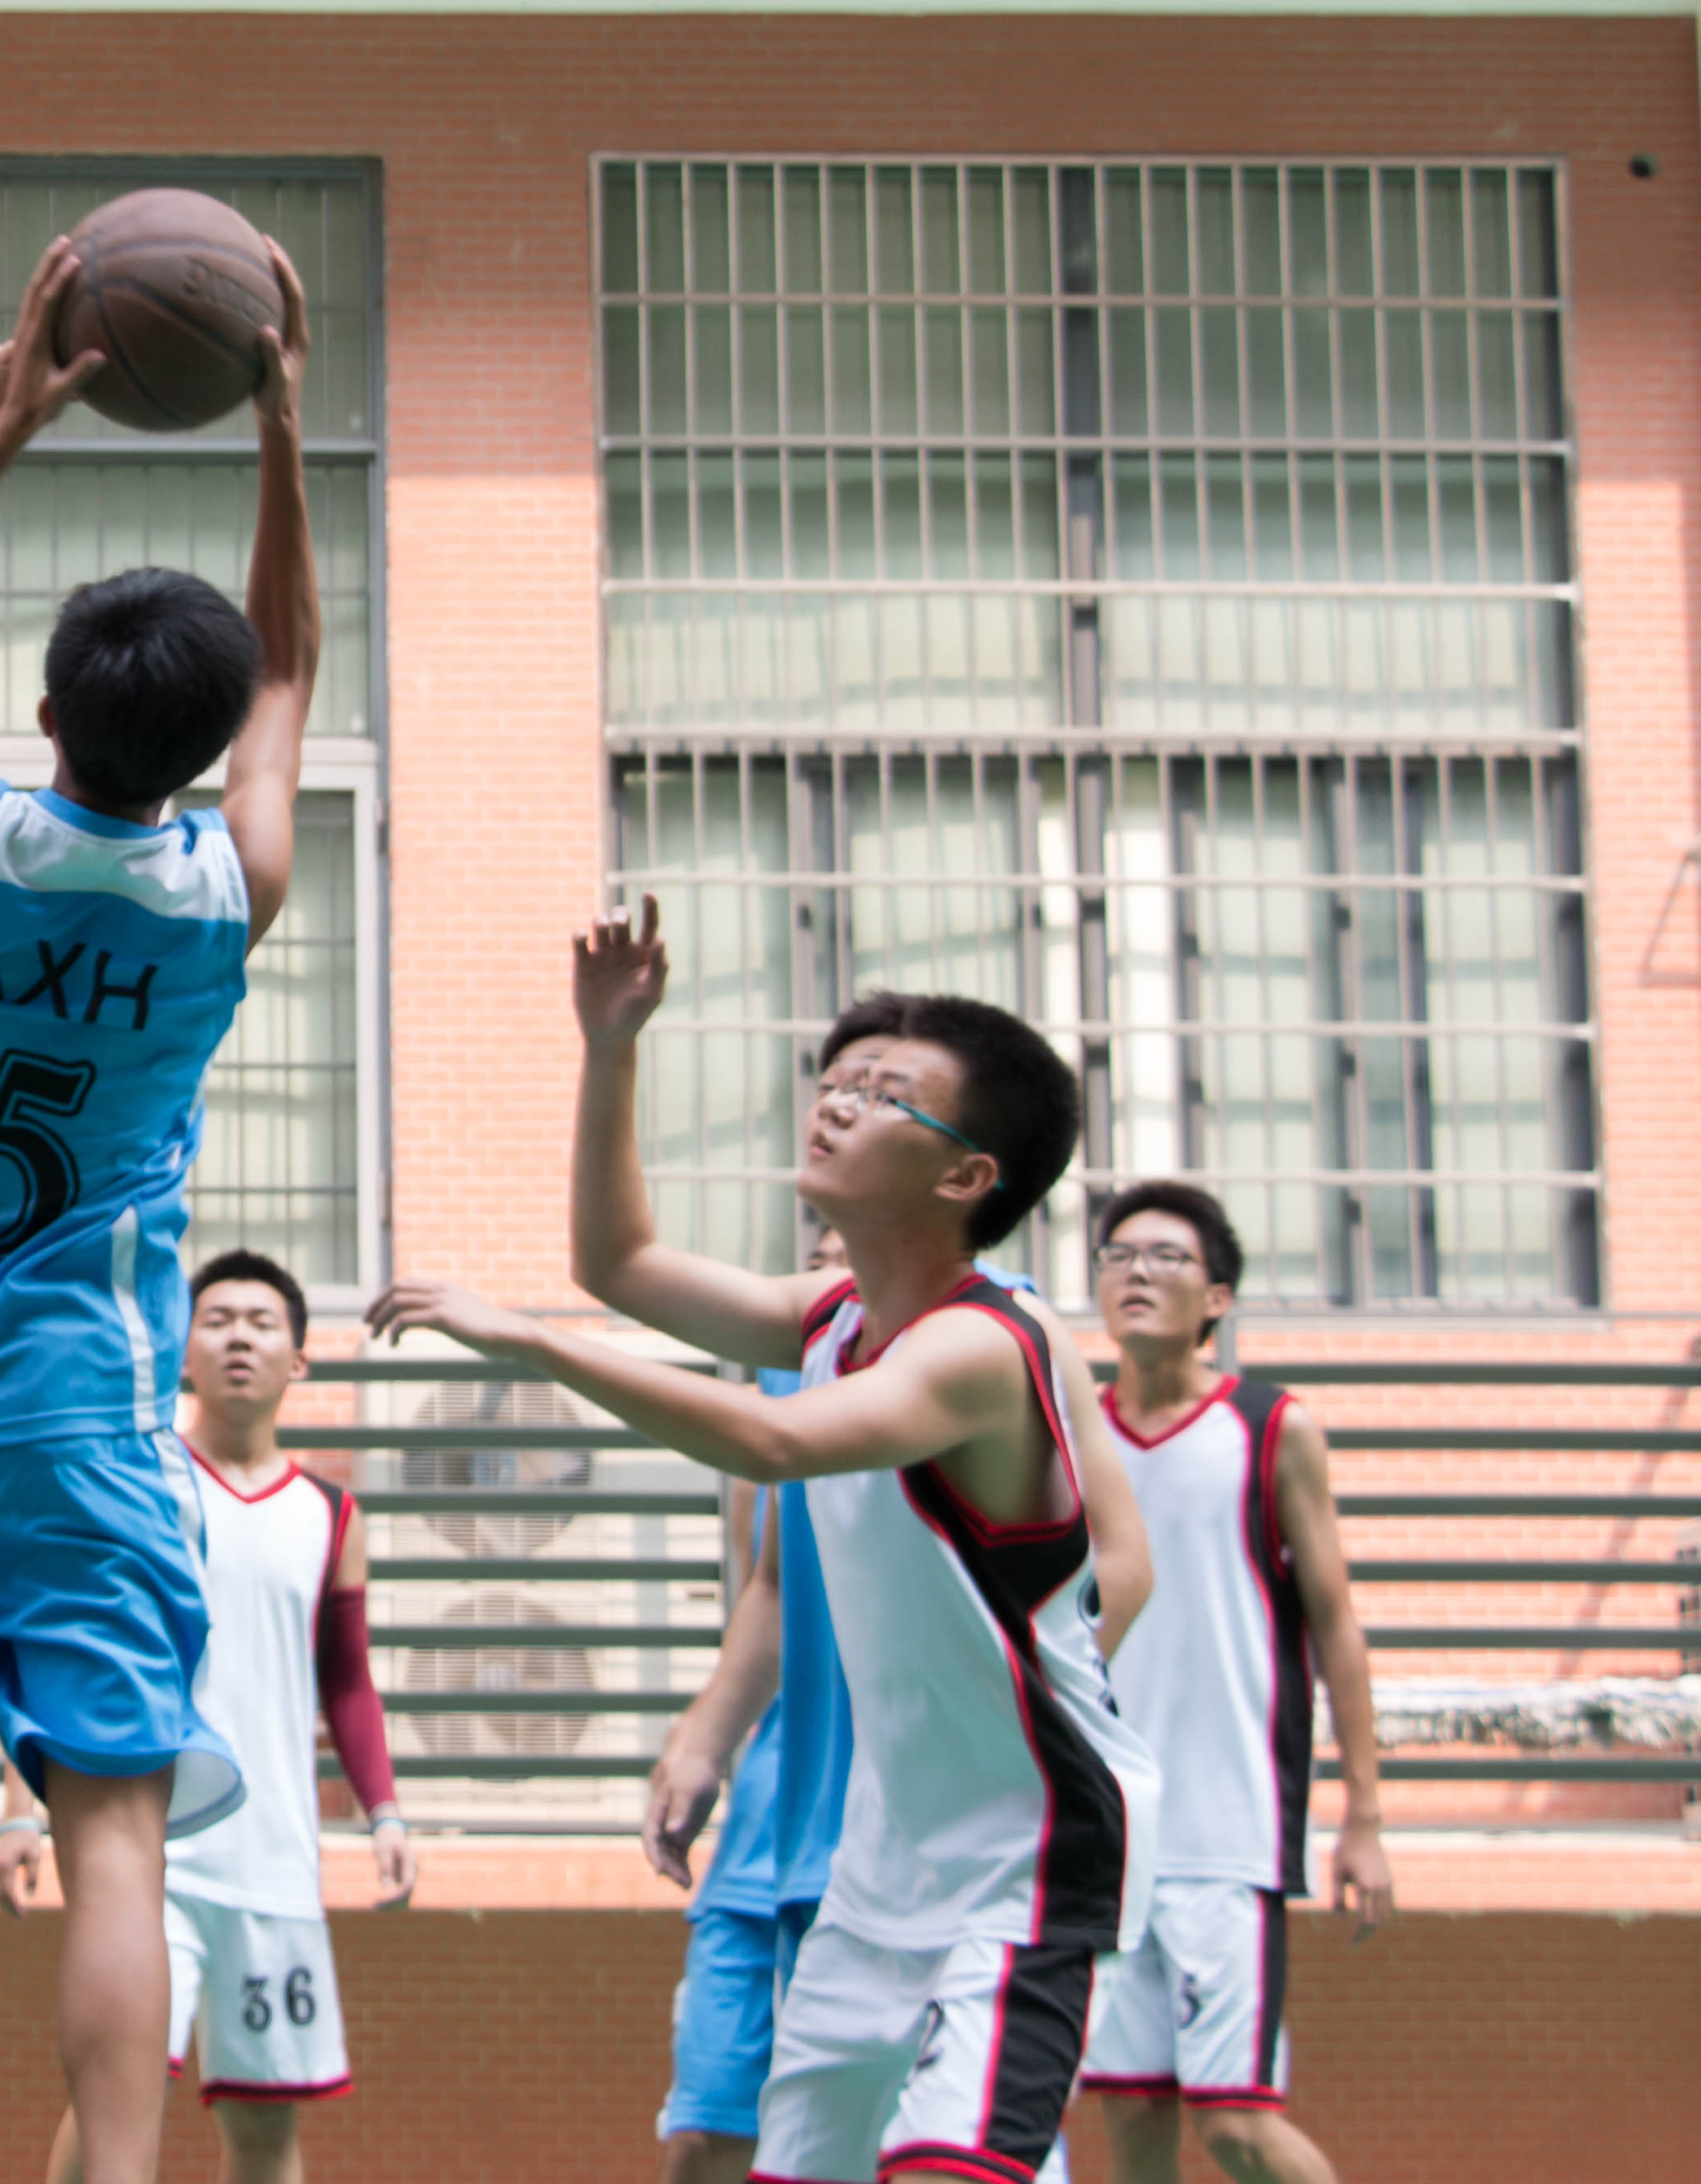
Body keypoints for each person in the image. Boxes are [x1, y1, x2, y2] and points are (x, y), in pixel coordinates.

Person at [373, 902, 1158, 2184]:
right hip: (883, 1857)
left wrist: (528, 1341)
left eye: (886, 1094)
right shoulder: (834, 1312)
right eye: (837, 1080)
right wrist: (611, 1046)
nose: (837, 1103)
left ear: (967, 1177)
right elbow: (618, 1259)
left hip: (1026, 1864)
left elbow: (769, 1443)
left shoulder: (979, 1345)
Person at [0, 230, 323, 2184]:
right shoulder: (220, 888)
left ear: (48, 704)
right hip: (79, 1425)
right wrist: (276, 427)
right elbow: (285, 663)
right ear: (195, 749)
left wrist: (6, 420)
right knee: (118, 1835)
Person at [0, 1250, 417, 2184]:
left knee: (265, 2132)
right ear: (181, 1350)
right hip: (149, 1855)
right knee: (117, 2096)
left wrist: (385, 1812)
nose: (238, 1335)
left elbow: (347, 1682)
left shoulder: (332, 1513)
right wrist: (19, 1806)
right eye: (217, 1317)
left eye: (262, 1322)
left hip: (275, 1865)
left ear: (298, 1359)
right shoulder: (137, 1482)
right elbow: (52, 1643)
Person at [1080, 1181, 1396, 2184]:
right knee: (1132, 2131)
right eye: (1120, 1253)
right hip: (1108, 1841)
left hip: (1227, 1837)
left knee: (1237, 2125)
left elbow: (1338, 1625)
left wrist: (1366, 1817)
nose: (1136, 1271)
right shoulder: (1067, 1432)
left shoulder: (1272, 1427)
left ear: (1217, 1297)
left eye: (1166, 1256)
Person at [644, 1228, 852, 2184]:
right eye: (815, 1252)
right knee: (707, 2135)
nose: (829, 1265)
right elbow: (770, 1585)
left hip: (908, 1832)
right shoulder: (779, 1394)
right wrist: (704, 1738)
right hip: (771, 1824)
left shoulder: (993, 1349)